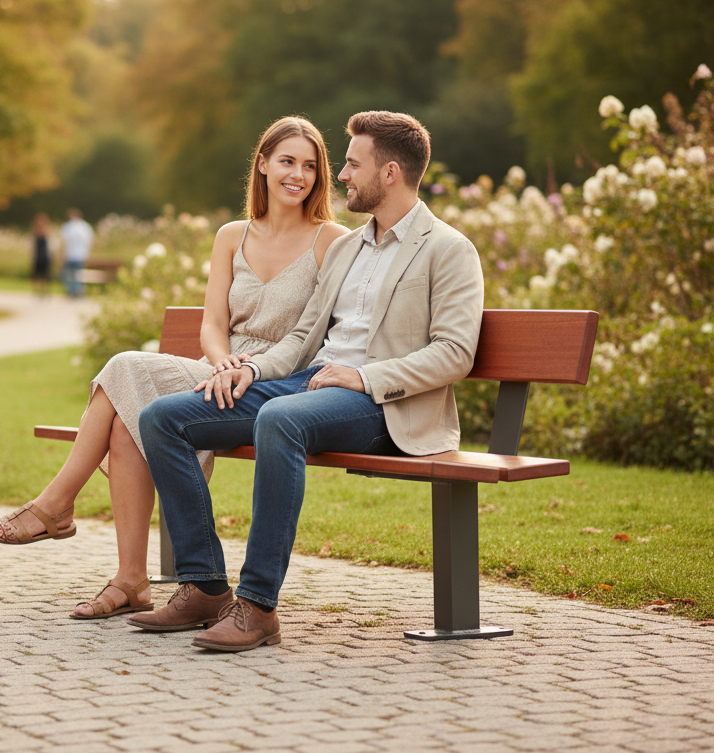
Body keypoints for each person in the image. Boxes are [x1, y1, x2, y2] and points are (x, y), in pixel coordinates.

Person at [130, 111, 485, 652]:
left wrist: (365, 377)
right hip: (310, 385)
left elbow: (455, 352)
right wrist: (252, 368)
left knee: (279, 420)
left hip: (384, 406)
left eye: (352, 164)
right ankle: (204, 586)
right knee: (164, 418)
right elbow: (302, 337)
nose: (340, 176)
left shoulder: (448, 248)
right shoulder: (346, 247)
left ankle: (258, 606)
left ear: (389, 173)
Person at [0, 116, 351, 620]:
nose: (298, 175)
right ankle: (128, 577)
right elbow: (212, 325)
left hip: (276, 382)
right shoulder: (231, 236)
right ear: (262, 164)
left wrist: (248, 369)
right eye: (287, 161)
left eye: (310, 166)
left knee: (126, 388)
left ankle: (58, 511)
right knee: (128, 396)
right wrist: (221, 361)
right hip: (218, 370)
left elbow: (307, 337)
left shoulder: (331, 239)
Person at [59, 208, 94, 298]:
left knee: (68, 275)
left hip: (70, 255)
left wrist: (62, 255)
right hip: (81, 255)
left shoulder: (68, 226)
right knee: (78, 275)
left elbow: (64, 242)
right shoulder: (86, 227)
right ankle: (78, 292)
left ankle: (71, 292)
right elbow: (90, 242)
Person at [30, 212, 52, 296]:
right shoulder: (34, 232)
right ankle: (36, 291)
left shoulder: (47, 231)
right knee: (36, 275)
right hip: (37, 256)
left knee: (46, 275)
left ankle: (46, 291)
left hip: (45, 256)